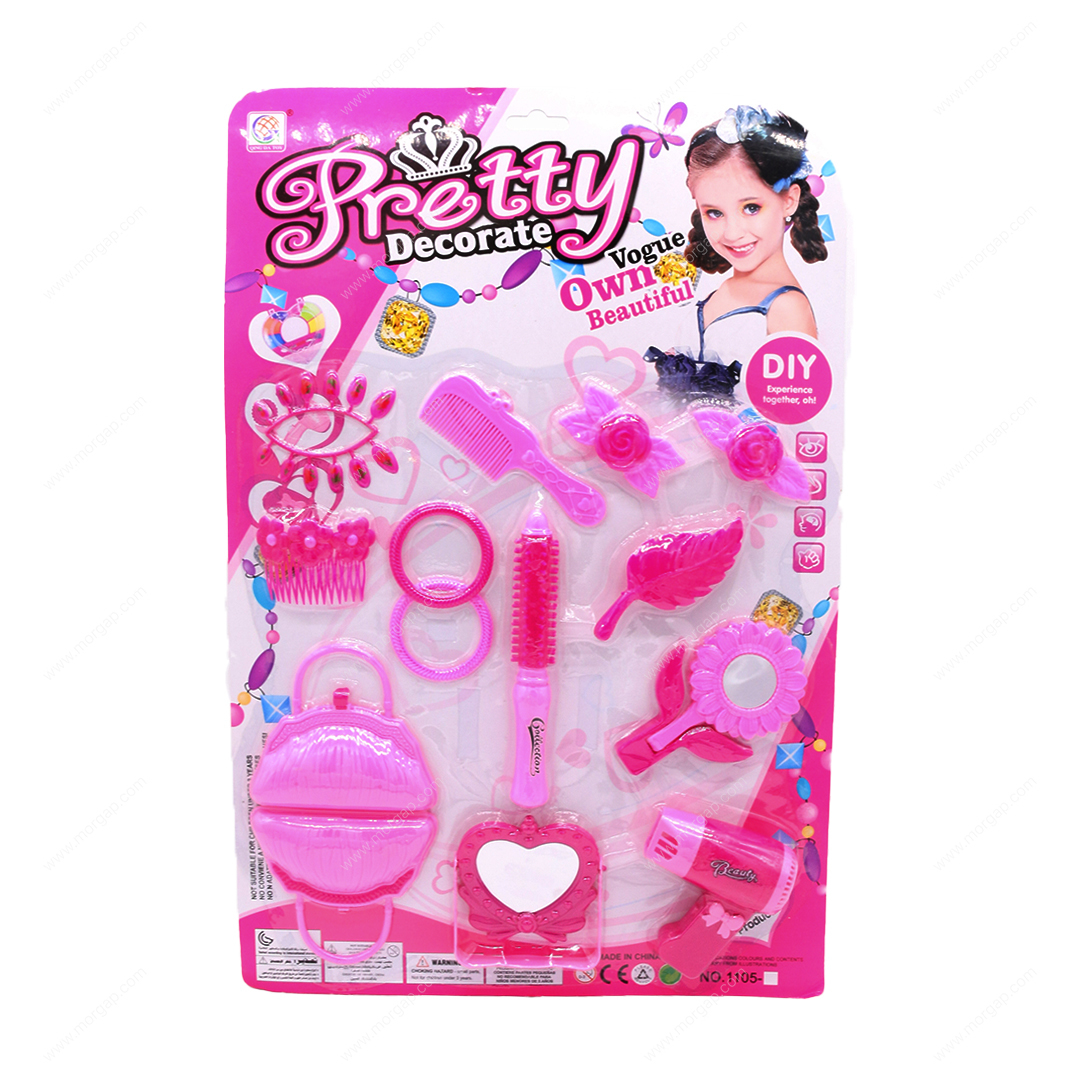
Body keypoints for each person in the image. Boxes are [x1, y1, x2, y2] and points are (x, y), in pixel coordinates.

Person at [648, 107, 827, 400]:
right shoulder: (714, 292)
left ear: (789, 200)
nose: (732, 233)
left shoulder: (786, 308)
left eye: (751, 208)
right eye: (714, 213)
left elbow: (792, 410)